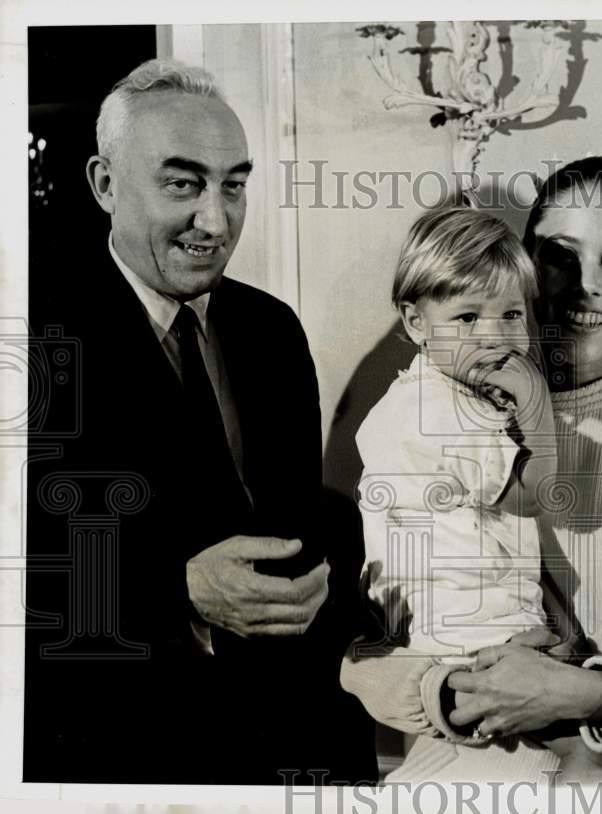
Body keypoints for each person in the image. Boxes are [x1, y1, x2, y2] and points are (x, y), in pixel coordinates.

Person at [342, 156, 602, 785]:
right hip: (459, 772)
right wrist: (450, 688)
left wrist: (585, 695)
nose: (586, 286)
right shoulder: (440, 413)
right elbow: (370, 632)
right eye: (561, 257)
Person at [25, 58, 375, 785]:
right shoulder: (30, 335)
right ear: (104, 183)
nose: (215, 221)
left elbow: (296, 524)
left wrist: (327, 585)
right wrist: (175, 590)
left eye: (233, 185)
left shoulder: (273, 329)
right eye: (183, 184)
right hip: (115, 758)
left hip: (290, 751)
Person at [356, 206, 602, 783]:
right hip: (473, 629)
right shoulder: (441, 412)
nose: (494, 337)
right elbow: (534, 496)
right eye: (467, 317)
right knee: (580, 755)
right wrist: (538, 406)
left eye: (511, 315)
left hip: (442, 622)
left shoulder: (426, 396)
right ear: (416, 321)